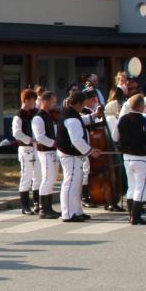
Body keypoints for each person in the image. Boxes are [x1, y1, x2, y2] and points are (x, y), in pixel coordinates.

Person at [110, 94, 146, 224]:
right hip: (141, 157)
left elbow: (115, 137)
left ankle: (131, 215)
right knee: (141, 187)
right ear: (141, 106)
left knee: (132, 186)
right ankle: (136, 216)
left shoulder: (122, 119)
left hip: (127, 157)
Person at [56, 89, 101, 222]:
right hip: (70, 155)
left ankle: (76, 210)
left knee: (76, 184)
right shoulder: (71, 118)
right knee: (70, 184)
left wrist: (94, 115)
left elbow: (81, 120)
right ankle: (68, 213)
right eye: (83, 104)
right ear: (78, 103)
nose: (83, 107)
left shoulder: (70, 114)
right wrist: (91, 151)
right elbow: (76, 140)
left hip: (72, 154)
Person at [31, 91, 61, 219]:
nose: (54, 104)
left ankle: (49, 207)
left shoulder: (49, 116)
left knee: (52, 179)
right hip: (45, 152)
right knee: (47, 178)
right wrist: (55, 143)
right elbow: (40, 137)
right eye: (53, 101)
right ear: (45, 101)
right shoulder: (38, 118)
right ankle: (43, 208)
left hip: (52, 151)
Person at [11, 89, 38, 215]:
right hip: (25, 149)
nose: (35, 103)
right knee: (26, 176)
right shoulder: (19, 116)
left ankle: (38, 203)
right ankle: (25, 206)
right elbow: (16, 133)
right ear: (26, 101)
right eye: (33, 101)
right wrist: (29, 139)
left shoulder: (34, 113)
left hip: (36, 148)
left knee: (38, 176)